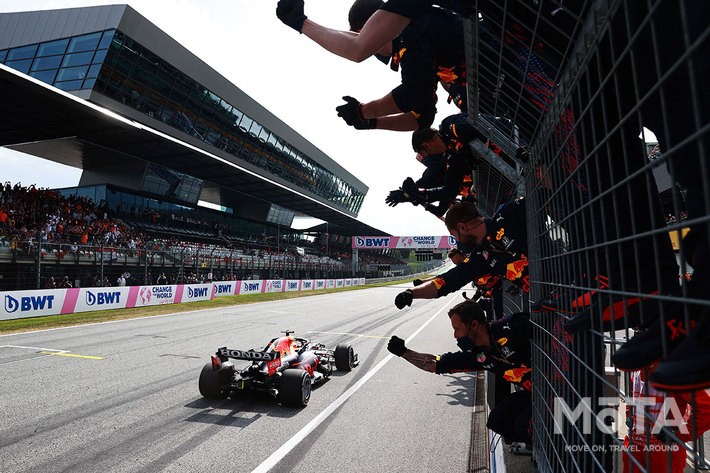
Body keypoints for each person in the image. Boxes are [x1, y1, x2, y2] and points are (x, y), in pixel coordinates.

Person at [277, 0, 467, 131]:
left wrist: (301, 22)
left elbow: (357, 48)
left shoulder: (413, 30)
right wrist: (372, 122)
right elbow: (423, 117)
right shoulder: (414, 44)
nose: (373, 52)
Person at [388, 300, 533, 443]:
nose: (455, 336)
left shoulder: (512, 326)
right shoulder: (477, 356)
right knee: (498, 420)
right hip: (535, 392)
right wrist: (404, 353)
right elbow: (434, 364)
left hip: (554, 389)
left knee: (524, 426)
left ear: (474, 325)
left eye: (457, 329)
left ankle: (555, 446)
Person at [622, 362, 710, 473]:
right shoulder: (638, 369)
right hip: (634, 446)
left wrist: (678, 435)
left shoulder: (676, 374)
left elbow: (706, 408)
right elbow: (633, 394)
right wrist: (629, 414)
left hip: (663, 451)